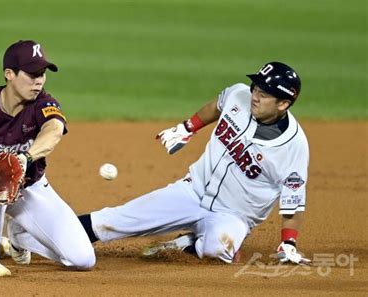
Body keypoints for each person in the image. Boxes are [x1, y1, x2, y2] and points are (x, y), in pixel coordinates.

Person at [79, 61, 310, 265]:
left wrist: (288, 243)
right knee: (116, 220)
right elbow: (217, 106)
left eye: (264, 93)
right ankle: (53, 237)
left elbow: (293, 201)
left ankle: (188, 243)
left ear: (283, 104)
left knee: (218, 251)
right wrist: (188, 127)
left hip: (233, 215)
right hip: (192, 191)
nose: (255, 96)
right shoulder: (238, 95)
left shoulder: (294, 146)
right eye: (256, 88)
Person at [0, 40, 95, 276]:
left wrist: (25, 157)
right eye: (32, 74)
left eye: (42, 74)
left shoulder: (44, 103)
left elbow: (54, 130)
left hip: (30, 185)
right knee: (1, 162)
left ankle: (19, 237)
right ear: (9, 74)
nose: (39, 81)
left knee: (82, 259)